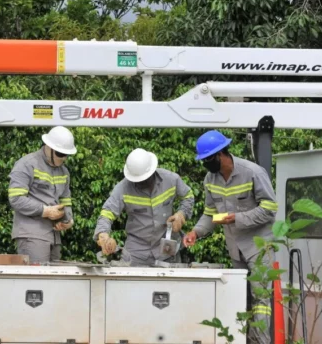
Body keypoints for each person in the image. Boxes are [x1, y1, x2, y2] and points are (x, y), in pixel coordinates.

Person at [183, 130, 278, 344]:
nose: (206, 164)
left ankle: (260, 342)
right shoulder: (210, 179)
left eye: (208, 159)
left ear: (221, 154)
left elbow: (270, 208)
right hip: (235, 248)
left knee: (260, 298)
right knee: (240, 297)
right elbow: (210, 213)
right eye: (203, 161)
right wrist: (195, 232)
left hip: (259, 246)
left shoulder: (252, 172)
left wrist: (238, 218)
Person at [93, 148, 195, 266]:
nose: (141, 183)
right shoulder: (123, 188)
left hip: (166, 250)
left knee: (170, 284)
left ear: (152, 171)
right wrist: (103, 235)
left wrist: (181, 214)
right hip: (136, 251)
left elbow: (188, 196)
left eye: (144, 179)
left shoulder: (171, 179)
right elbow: (107, 213)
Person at [8, 126, 77, 263]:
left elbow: (65, 200)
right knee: (37, 281)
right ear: (48, 147)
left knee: (54, 281)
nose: (63, 158)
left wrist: (68, 221)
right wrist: (45, 211)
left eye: (66, 155)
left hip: (54, 235)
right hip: (32, 234)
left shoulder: (64, 171)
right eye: (60, 154)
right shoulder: (27, 164)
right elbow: (16, 198)